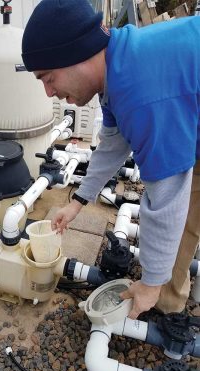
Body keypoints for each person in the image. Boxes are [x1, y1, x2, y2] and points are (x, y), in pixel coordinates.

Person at [21, 0, 200, 319]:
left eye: (48, 78)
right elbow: (113, 143)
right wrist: (78, 201)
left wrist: (150, 282)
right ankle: (167, 306)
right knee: (182, 219)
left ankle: (162, 308)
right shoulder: (119, 63)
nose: (49, 93)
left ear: (75, 55)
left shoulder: (141, 94)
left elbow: (167, 195)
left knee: (174, 210)